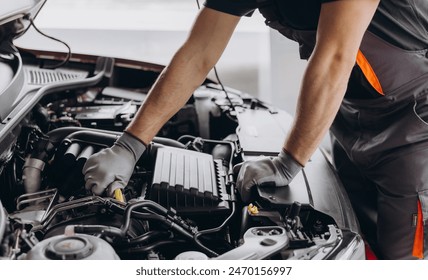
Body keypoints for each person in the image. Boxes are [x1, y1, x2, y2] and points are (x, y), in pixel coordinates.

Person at [82, 0, 428, 260]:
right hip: (351, 114)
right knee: (360, 238)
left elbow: (336, 55)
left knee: (404, 258)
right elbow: (198, 52)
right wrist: (129, 144)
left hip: (415, 125)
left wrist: (288, 162)